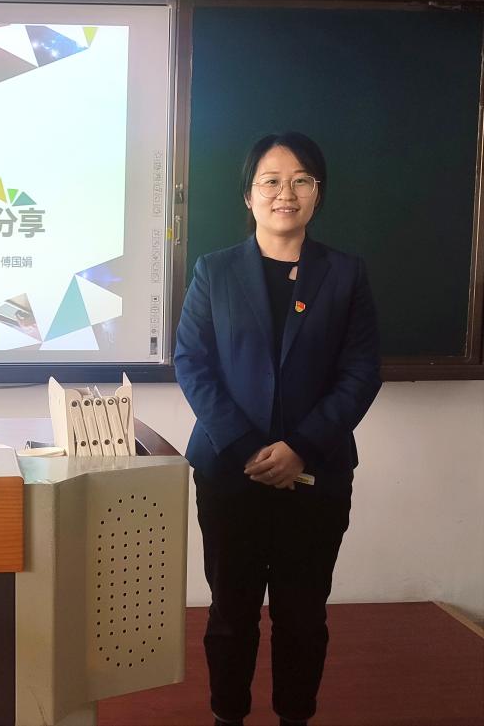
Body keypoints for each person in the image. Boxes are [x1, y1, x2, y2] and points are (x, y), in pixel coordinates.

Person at [174, 132, 382, 726]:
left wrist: (301, 449)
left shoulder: (345, 274)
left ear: (317, 193)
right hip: (228, 474)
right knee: (230, 612)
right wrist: (248, 449)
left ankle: (296, 715)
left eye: (300, 181)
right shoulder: (214, 271)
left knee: (303, 614)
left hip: (316, 477)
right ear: (249, 195)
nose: (284, 193)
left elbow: (361, 372)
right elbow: (193, 363)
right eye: (270, 181)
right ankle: (228, 714)